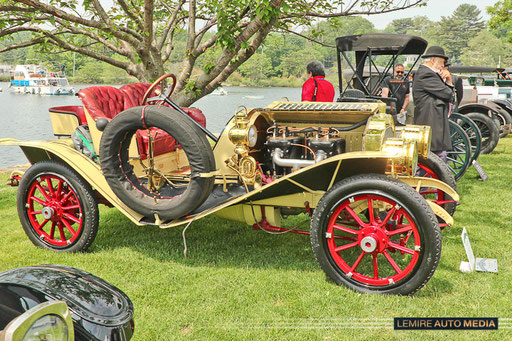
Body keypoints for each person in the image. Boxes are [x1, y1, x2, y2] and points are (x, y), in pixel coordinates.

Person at [412, 46, 454, 162]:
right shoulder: (427, 74)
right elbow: (448, 94)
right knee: (434, 157)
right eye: (442, 62)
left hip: (432, 121)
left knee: (436, 156)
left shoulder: (427, 73)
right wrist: (449, 81)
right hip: (431, 121)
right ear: (433, 60)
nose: (443, 66)